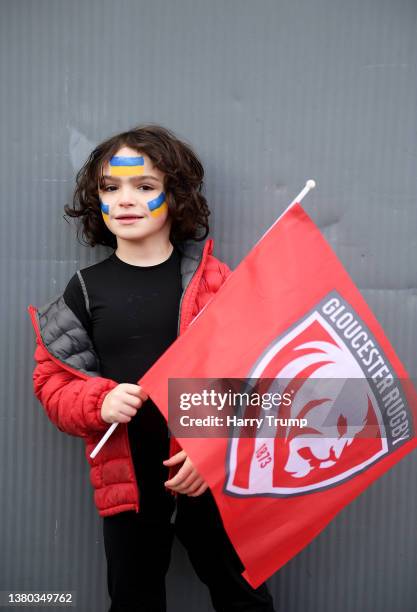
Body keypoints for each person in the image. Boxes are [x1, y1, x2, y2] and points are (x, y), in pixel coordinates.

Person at [28, 125, 276, 612]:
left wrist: (211, 448)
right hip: (129, 486)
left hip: (211, 478)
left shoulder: (212, 282)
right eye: (110, 187)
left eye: (144, 187)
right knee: (134, 597)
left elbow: (257, 375)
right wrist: (99, 401)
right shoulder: (83, 290)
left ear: (176, 197)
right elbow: (52, 384)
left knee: (242, 593)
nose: (124, 199)